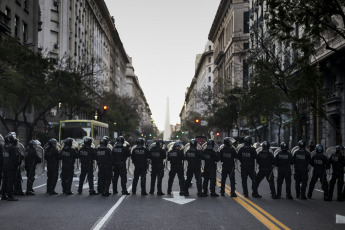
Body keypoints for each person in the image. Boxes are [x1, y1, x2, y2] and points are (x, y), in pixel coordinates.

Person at [1, 133, 20, 201]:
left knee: (5, 181)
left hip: (5, 166)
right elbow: (15, 158)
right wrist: (17, 165)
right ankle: (10, 195)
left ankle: (3, 195)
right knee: (10, 181)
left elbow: (2, 158)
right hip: (11, 167)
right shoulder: (13, 148)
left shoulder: (4, 148)